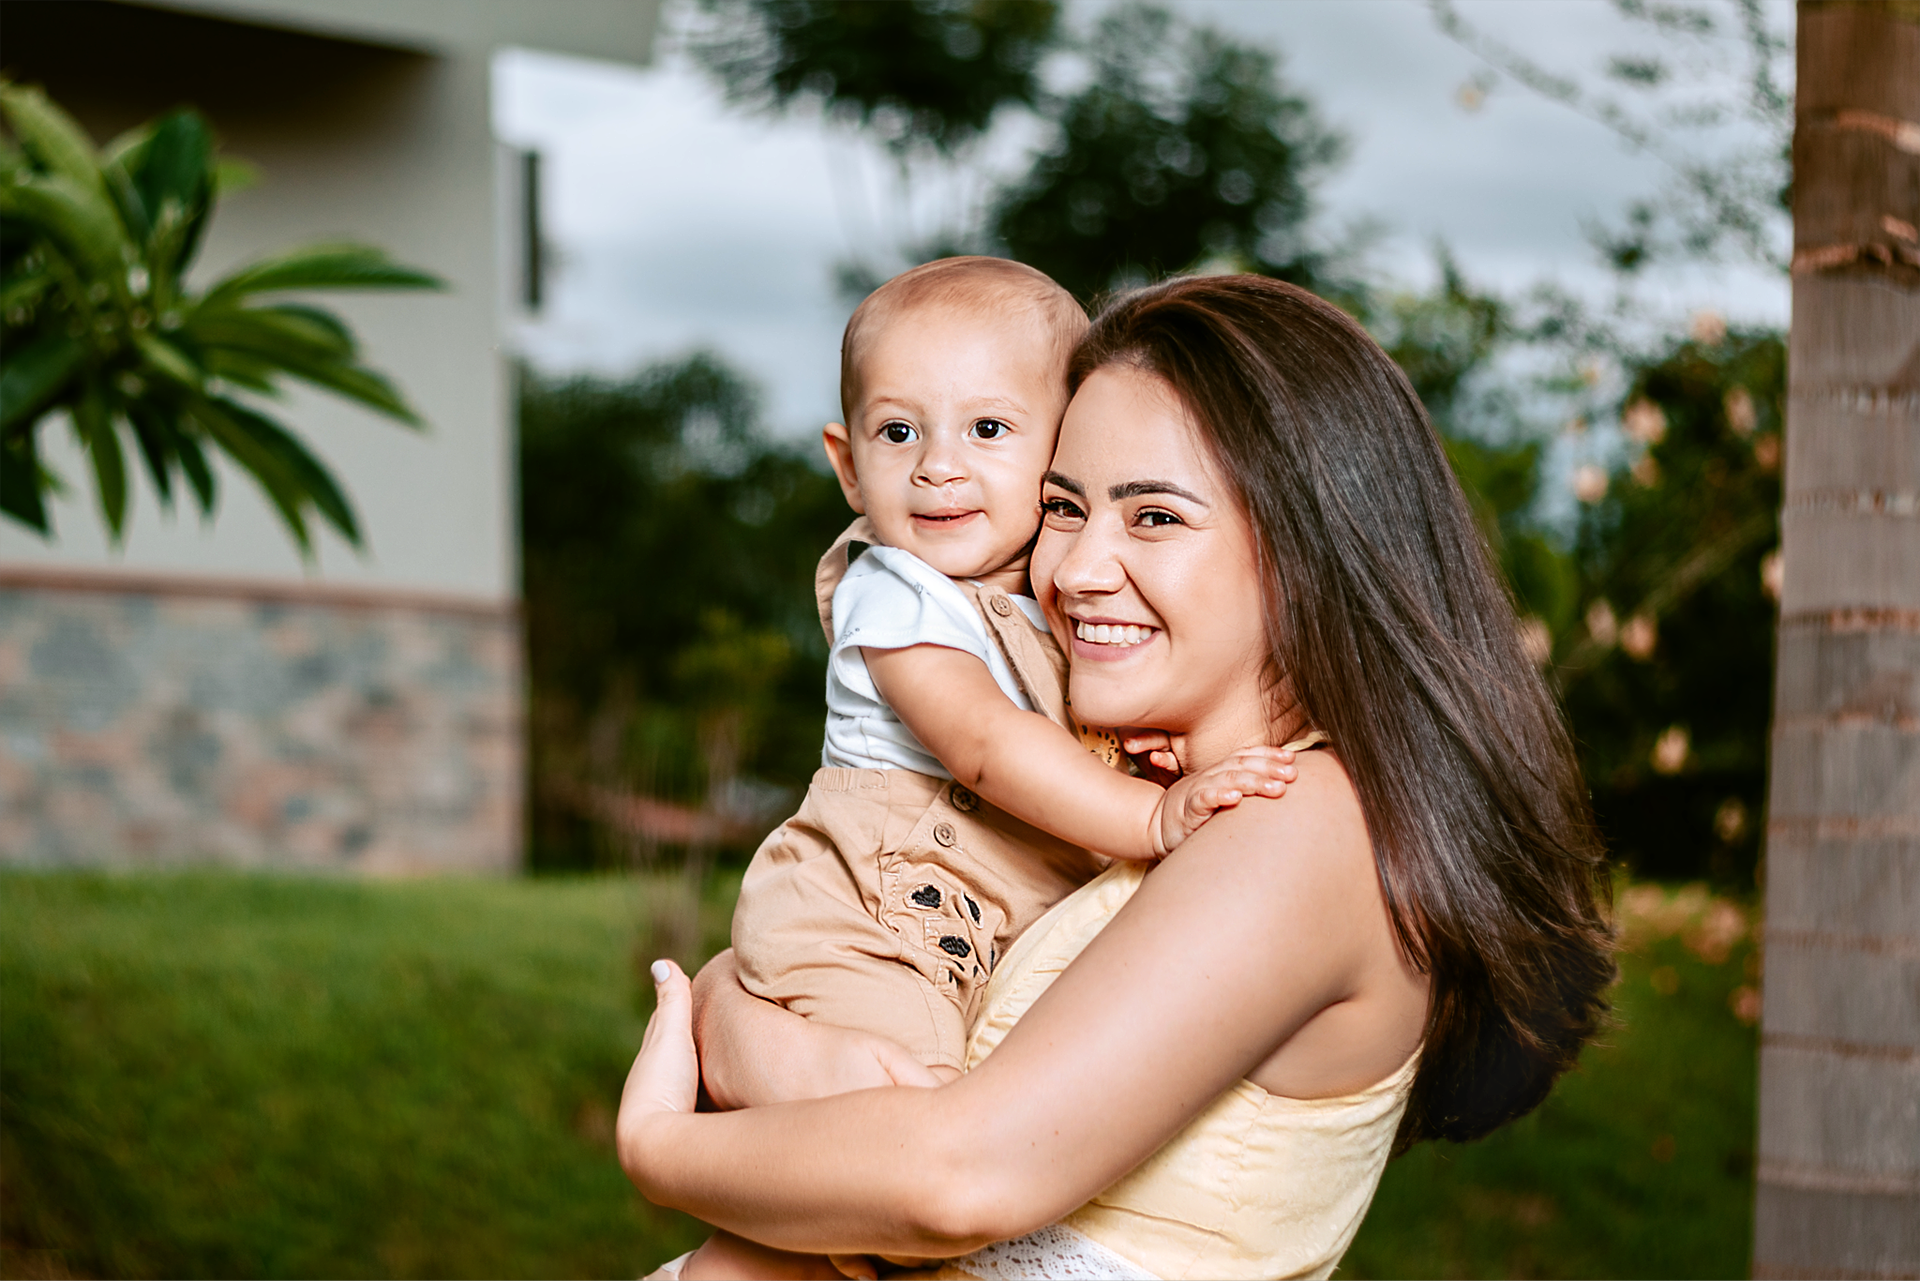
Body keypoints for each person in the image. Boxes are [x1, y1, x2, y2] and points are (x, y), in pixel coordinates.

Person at [619, 275, 1617, 1281]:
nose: (1077, 568)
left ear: (1308, 547)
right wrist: (733, 1017)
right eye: (1064, 505)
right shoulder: (1144, 807)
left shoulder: (1303, 823)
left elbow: (956, 1177)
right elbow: (836, 979)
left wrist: (662, 1145)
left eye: (1153, 519)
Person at [731, 254, 1298, 1093]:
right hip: (868, 925)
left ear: (1061, 444)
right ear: (847, 464)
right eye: (898, 432)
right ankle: (729, 1232)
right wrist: (1153, 815)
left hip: (969, 932)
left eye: (987, 430)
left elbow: (1076, 730)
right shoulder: (895, 593)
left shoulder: (1054, 594)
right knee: (908, 1123)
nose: (938, 467)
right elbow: (986, 743)